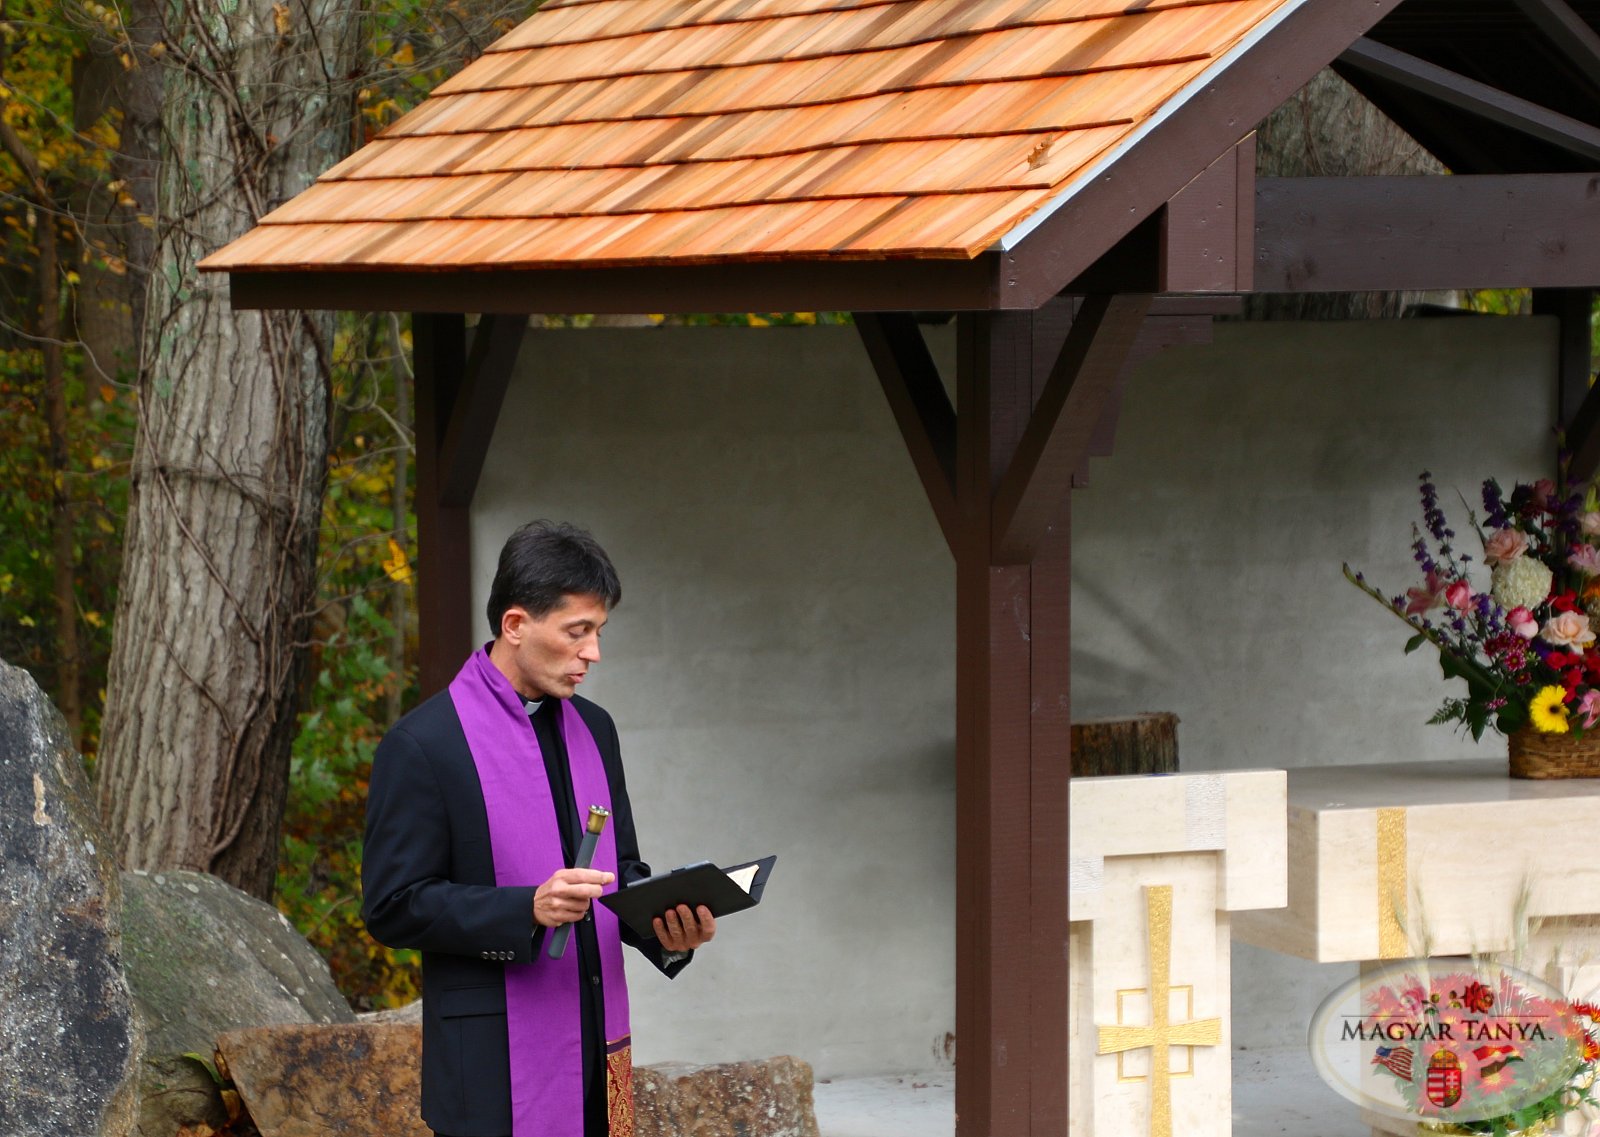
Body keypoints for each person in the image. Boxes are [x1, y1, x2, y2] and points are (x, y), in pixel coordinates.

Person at [362, 521, 715, 1137]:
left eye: (599, 632)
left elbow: (622, 873)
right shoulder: (424, 745)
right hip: (491, 1067)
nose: (593, 653)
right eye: (577, 632)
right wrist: (526, 907)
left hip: (600, 1050)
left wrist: (668, 932)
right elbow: (393, 907)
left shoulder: (595, 729)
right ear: (516, 624)